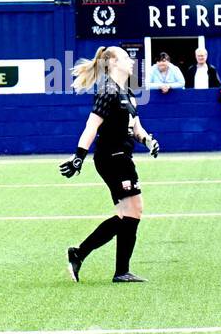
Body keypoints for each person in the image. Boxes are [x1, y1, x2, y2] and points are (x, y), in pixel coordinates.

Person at [59, 46, 160, 284]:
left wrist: (148, 141)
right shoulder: (107, 91)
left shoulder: (128, 93)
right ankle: (82, 254)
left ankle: (118, 270)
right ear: (113, 62)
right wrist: (78, 157)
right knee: (131, 212)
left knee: (132, 213)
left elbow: (135, 128)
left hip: (123, 156)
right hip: (111, 157)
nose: (131, 61)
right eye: (126, 58)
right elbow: (91, 126)